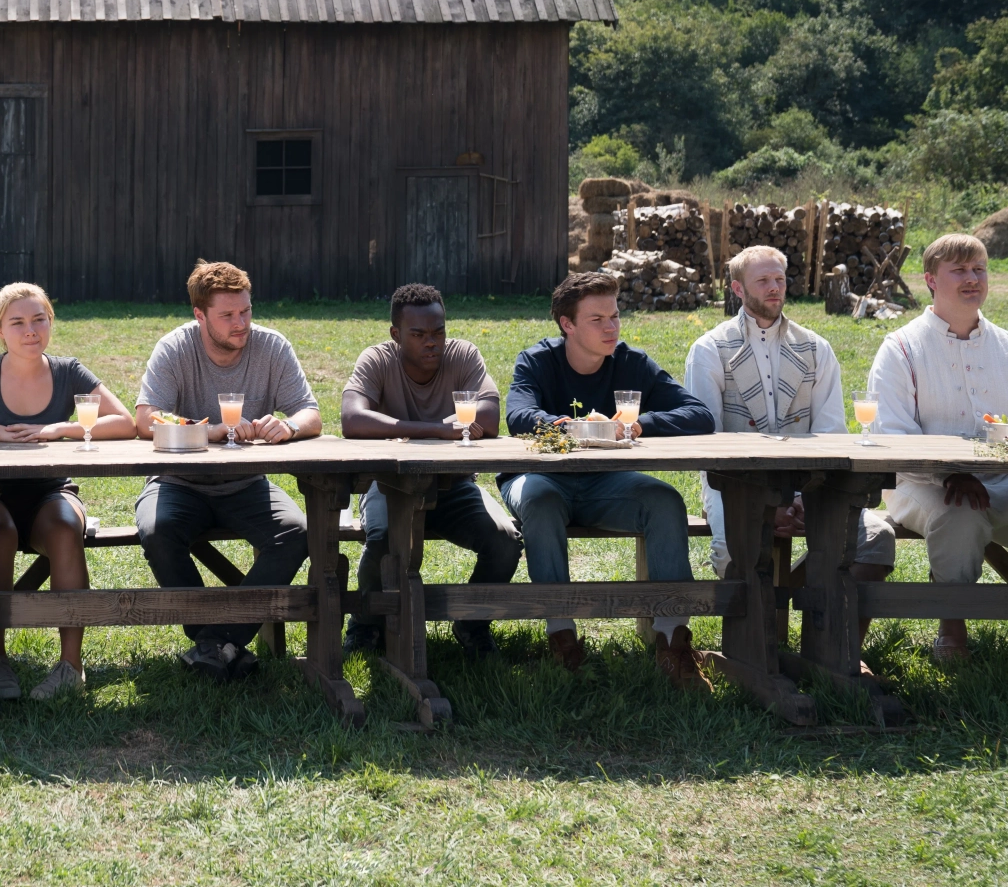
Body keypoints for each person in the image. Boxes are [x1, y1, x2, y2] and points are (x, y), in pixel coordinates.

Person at [0, 282, 133, 701]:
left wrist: (61, 429)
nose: (30, 330)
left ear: (50, 323)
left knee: (67, 527)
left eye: (39, 320)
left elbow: (125, 422)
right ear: (0, 331)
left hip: (50, 493)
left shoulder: (69, 371)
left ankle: (72, 665)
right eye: (18, 322)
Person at [504, 270, 715, 689]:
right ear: (568, 324)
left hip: (606, 484)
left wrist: (639, 426)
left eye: (615, 316)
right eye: (597, 319)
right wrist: (566, 425)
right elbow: (518, 414)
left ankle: (673, 642)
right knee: (541, 502)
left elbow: (699, 414)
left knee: (664, 500)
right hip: (540, 478)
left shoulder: (632, 363)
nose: (611, 327)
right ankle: (562, 639)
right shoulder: (538, 360)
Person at [684, 246, 894, 634]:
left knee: (876, 539)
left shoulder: (815, 348)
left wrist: (799, 497)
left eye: (779, 279)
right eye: (762, 281)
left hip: (811, 485)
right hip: (732, 483)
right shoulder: (709, 350)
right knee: (734, 546)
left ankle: (836, 643)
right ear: (737, 288)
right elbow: (707, 440)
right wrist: (767, 500)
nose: (774, 288)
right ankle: (753, 649)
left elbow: (832, 433)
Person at [134, 260, 322, 682]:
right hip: (178, 481)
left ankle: (216, 642)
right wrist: (208, 432)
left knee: (297, 531)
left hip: (247, 482)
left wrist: (289, 426)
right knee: (157, 530)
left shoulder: (272, 346)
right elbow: (146, 419)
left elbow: (311, 413)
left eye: (246, 311)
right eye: (228, 315)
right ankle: (220, 642)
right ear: (200, 315)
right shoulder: (175, 347)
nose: (241, 324)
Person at [341, 283, 521, 659]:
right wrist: (438, 429)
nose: (432, 343)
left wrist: (406, 429)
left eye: (438, 332)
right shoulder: (377, 359)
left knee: (504, 542)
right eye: (418, 334)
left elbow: (488, 416)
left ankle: (471, 623)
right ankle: (366, 623)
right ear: (396, 334)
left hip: (455, 485)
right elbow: (352, 419)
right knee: (383, 539)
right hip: (390, 484)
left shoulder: (463, 355)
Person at [868, 233, 1008, 664]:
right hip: (916, 481)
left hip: (1000, 476)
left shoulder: (1004, 345)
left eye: (979, 269)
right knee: (959, 513)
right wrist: (949, 472)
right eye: (960, 270)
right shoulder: (901, 348)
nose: (972, 279)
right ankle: (953, 628)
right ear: (930, 279)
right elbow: (892, 432)